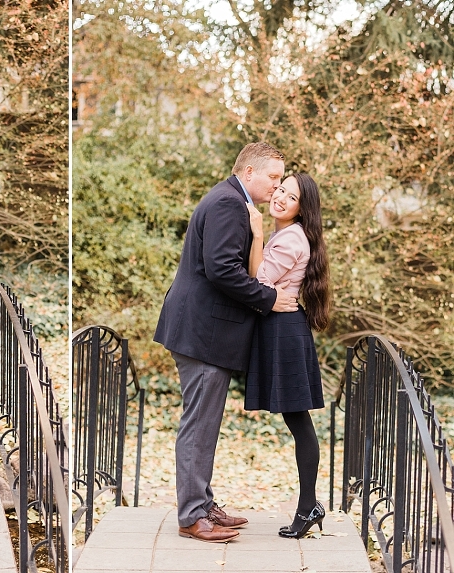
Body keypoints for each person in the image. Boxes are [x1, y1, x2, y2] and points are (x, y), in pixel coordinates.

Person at [153, 142, 300, 543]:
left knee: (204, 424)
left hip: (205, 331)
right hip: (202, 333)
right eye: (272, 177)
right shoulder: (228, 204)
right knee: (199, 426)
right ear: (248, 172)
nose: (276, 185)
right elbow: (221, 269)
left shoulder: (232, 199)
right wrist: (270, 299)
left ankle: (202, 504)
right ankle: (191, 516)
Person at [244, 172, 330, 539]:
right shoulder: (291, 234)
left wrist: (258, 234)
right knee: (297, 420)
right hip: (283, 329)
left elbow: (257, 281)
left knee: (298, 420)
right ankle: (309, 504)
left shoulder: (289, 238)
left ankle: (309, 505)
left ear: (301, 207)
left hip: (285, 332)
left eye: (290, 196)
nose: (279, 197)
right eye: (279, 189)